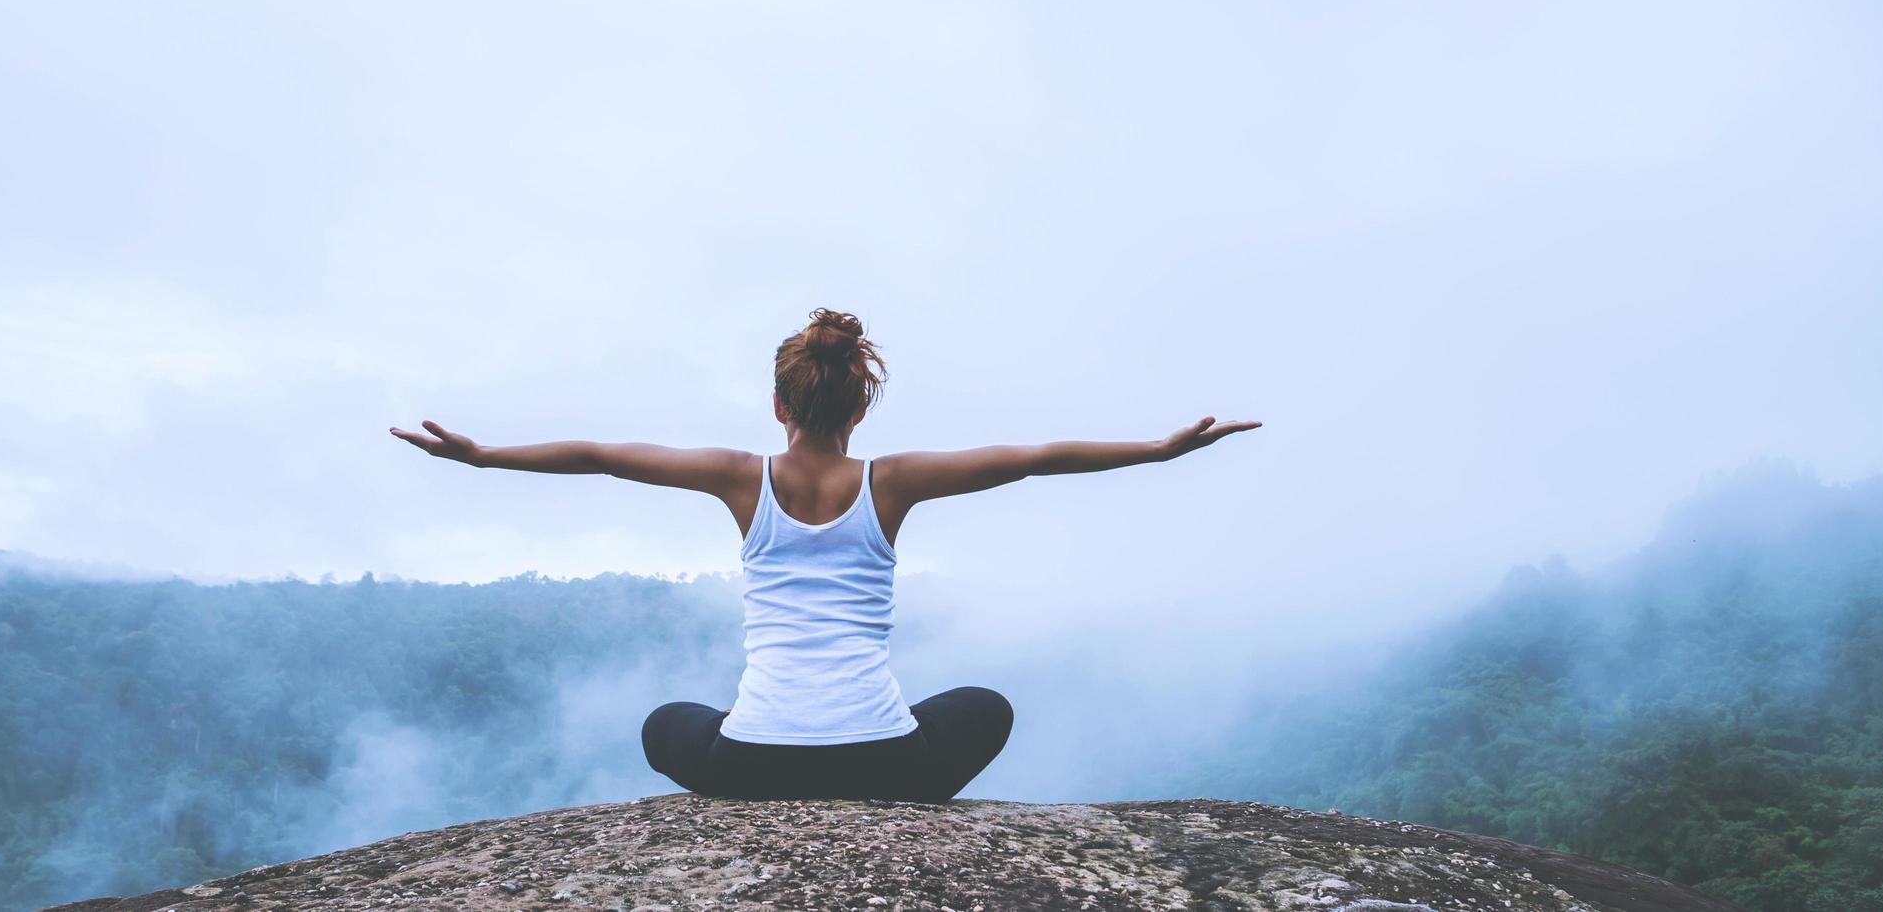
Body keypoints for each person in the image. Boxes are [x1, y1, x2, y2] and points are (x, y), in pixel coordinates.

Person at [390, 308, 1259, 803]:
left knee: (663, 723)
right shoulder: (895, 481)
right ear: (861, 408)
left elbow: (603, 456)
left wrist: (482, 456)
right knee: (985, 706)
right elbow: (1032, 459)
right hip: (886, 762)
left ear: (778, 404)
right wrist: (1156, 450)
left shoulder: (740, 480)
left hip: (752, 765)